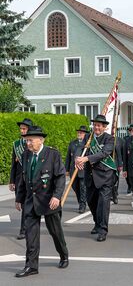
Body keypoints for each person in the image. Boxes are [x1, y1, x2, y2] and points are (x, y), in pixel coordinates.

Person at [15, 126, 69, 278]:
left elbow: (60, 177)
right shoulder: (26, 155)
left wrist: (57, 196)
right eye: (27, 141)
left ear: (41, 140)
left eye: (31, 140)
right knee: (31, 235)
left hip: (49, 200)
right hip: (31, 200)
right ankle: (31, 266)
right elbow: (23, 178)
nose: (28, 143)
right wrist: (19, 198)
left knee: (55, 232)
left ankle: (63, 254)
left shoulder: (52, 154)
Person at [76, 114, 117, 242]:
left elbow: (104, 153)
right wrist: (77, 158)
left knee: (103, 204)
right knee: (91, 201)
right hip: (90, 175)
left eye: (99, 125)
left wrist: (86, 158)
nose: (96, 127)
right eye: (95, 125)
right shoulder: (88, 137)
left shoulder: (109, 139)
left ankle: (103, 230)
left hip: (105, 176)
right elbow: (80, 149)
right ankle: (97, 223)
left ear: (104, 127)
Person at [9, 118, 33, 240]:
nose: (22, 131)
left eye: (24, 129)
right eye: (21, 129)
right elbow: (13, 164)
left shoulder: (34, 143)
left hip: (32, 179)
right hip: (20, 180)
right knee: (23, 205)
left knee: (31, 205)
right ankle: (23, 230)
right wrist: (11, 181)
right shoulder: (16, 144)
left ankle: (29, 228)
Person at [65, 125, 89, 213]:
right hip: (73, 170)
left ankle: (82, 205)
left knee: (83, 188)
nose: (79, 134)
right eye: (78, 132)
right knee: (75, 187)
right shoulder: (72, 143)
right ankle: (81, 201)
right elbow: (68, 156)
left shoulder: (87, 144)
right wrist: (66, 169)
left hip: (83, 170)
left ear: (85, 134)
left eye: (81, 133)